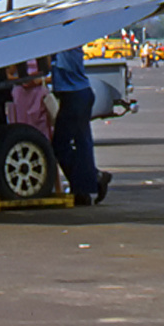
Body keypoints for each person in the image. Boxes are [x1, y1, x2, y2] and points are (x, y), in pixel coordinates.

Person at [51, 46, 111, 206]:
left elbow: (56, 65)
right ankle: (84, 189)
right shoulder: (71, 43)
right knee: (83, 142)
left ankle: (87, 182)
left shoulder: (64, 48)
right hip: (81, 93)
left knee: (60, 144)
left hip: (73, 95)